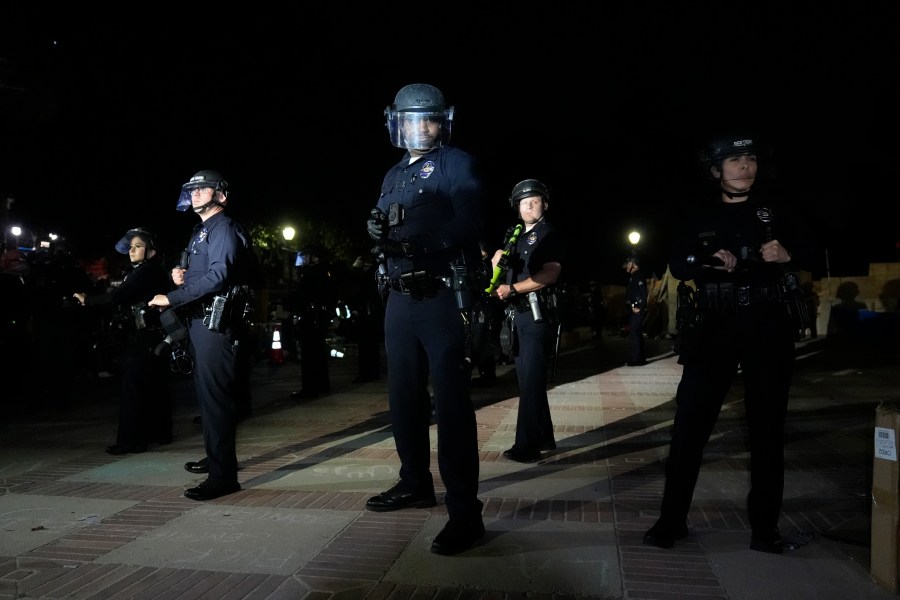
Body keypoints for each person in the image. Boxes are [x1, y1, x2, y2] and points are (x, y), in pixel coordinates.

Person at [643, 134, 817, 554]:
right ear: (716, 169)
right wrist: (707, 259)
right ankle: (671, 521)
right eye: (735, 159)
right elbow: (677, 261)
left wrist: (787, 253)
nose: (745, 166)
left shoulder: (777, 208)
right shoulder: (697, 211)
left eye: (751, 158)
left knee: (767, 428)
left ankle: (764, 529)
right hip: (713, 326)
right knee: (690, 426)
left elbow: (813, 248)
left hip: (767, 324)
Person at [364, 83, 486, 555]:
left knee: (452, 406)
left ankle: (465, 513)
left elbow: (471, 222)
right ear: (398, 124)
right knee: (403, 399)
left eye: (428, 120)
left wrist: (422, 244)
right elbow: (381, 221)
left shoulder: (458, 163)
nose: (420, 128)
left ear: (441, 121)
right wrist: (374, 226)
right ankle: (414, 482)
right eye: (411, 120)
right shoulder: (393, 172)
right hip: (398, 298)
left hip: (439, 295)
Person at [148, 169, 261, 501]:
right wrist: (179, 275)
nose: (195, 193)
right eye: (192, 189)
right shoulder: (201, 230)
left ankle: (223, 476)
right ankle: (217, 458)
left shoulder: (223, 226)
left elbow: (217, 277)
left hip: (217, 322)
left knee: (216, 399)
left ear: (221, 195)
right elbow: (201, 273)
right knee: (210, 398)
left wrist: (172, 296)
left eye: (203, 188)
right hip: (201, 321)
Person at [73, 227, 173, 454]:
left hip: (143, 335)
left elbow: (118, 296)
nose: (132, 250)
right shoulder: (148, 271)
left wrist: (88, 300)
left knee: (134, 388)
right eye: (130, 246)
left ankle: (132, 441)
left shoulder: (145, 271)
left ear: (151, 251)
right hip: (151, 335)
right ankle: (160, 433)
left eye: (138, 246)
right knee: (155, 385)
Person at [490, 179, 564, 463]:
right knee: (528, 380)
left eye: (534, 201)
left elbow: (550, 273)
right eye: (523, 202)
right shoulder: (516, 236)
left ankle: (527, 446)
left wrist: (514, 289)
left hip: (536, 313)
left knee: (532, 381)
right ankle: (544, 436)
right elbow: (498, 275)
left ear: (544, 204)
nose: (528, 206)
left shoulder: (548, 235)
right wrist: (497, 261)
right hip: (517, 314)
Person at [288, 243, 336, 399]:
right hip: (318, 316)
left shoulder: (312, 273)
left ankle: (310, 388)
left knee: (309, 354)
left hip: (311, 317)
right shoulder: (324, 271)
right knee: (319, 352)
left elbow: (302, 295)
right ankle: (322, 385)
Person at [470, 241, 504, 387]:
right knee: (482, 342)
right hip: (484, 308)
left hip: (486, 308)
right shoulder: (482, 264)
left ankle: (488, 376)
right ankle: (487, 375)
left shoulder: (485, 265)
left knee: (484, 342)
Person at [622, 255, 648, 366]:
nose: (626, 266)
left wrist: (640, 307)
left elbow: (644, 293)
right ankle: (640, 359)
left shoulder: (638, 276)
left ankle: (637, 359)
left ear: (634, 264)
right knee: (636, 333)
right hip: (633, 309)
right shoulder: (633, 276)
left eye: (629, 263)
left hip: (637, 310)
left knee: (635, 334)